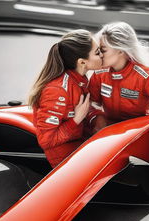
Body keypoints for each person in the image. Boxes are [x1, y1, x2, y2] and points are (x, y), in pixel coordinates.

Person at [28, 29, 103, 168]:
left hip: (81, 148)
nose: (102, 55)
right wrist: (76, 120)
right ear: (82, 62)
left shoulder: (80, 80)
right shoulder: (57, 91)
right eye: (97, 52)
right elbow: (46, 140)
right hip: (65, 164)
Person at [87, 22, 149, 133]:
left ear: (120, 50)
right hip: (108, 134)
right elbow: (90, 103)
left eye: (103, 50)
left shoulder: (148, 76)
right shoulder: (99, 73)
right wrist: (98, 118)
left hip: (136, 134)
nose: (100, 55)